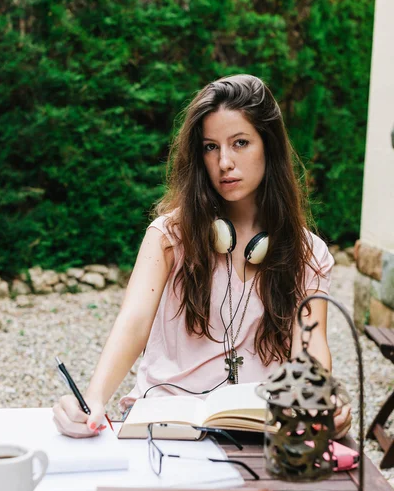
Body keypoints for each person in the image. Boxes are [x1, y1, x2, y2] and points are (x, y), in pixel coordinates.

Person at [53, 74, 351, 439]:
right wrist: (94, 398)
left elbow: (311, 346)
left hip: (257, 428)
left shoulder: (309, 253)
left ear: (268, 147)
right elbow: (133, 320)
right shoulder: (169, 235)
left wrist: (320, 400)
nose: (224, 161)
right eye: (211, 147)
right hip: (166, 422)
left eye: (240, 143)